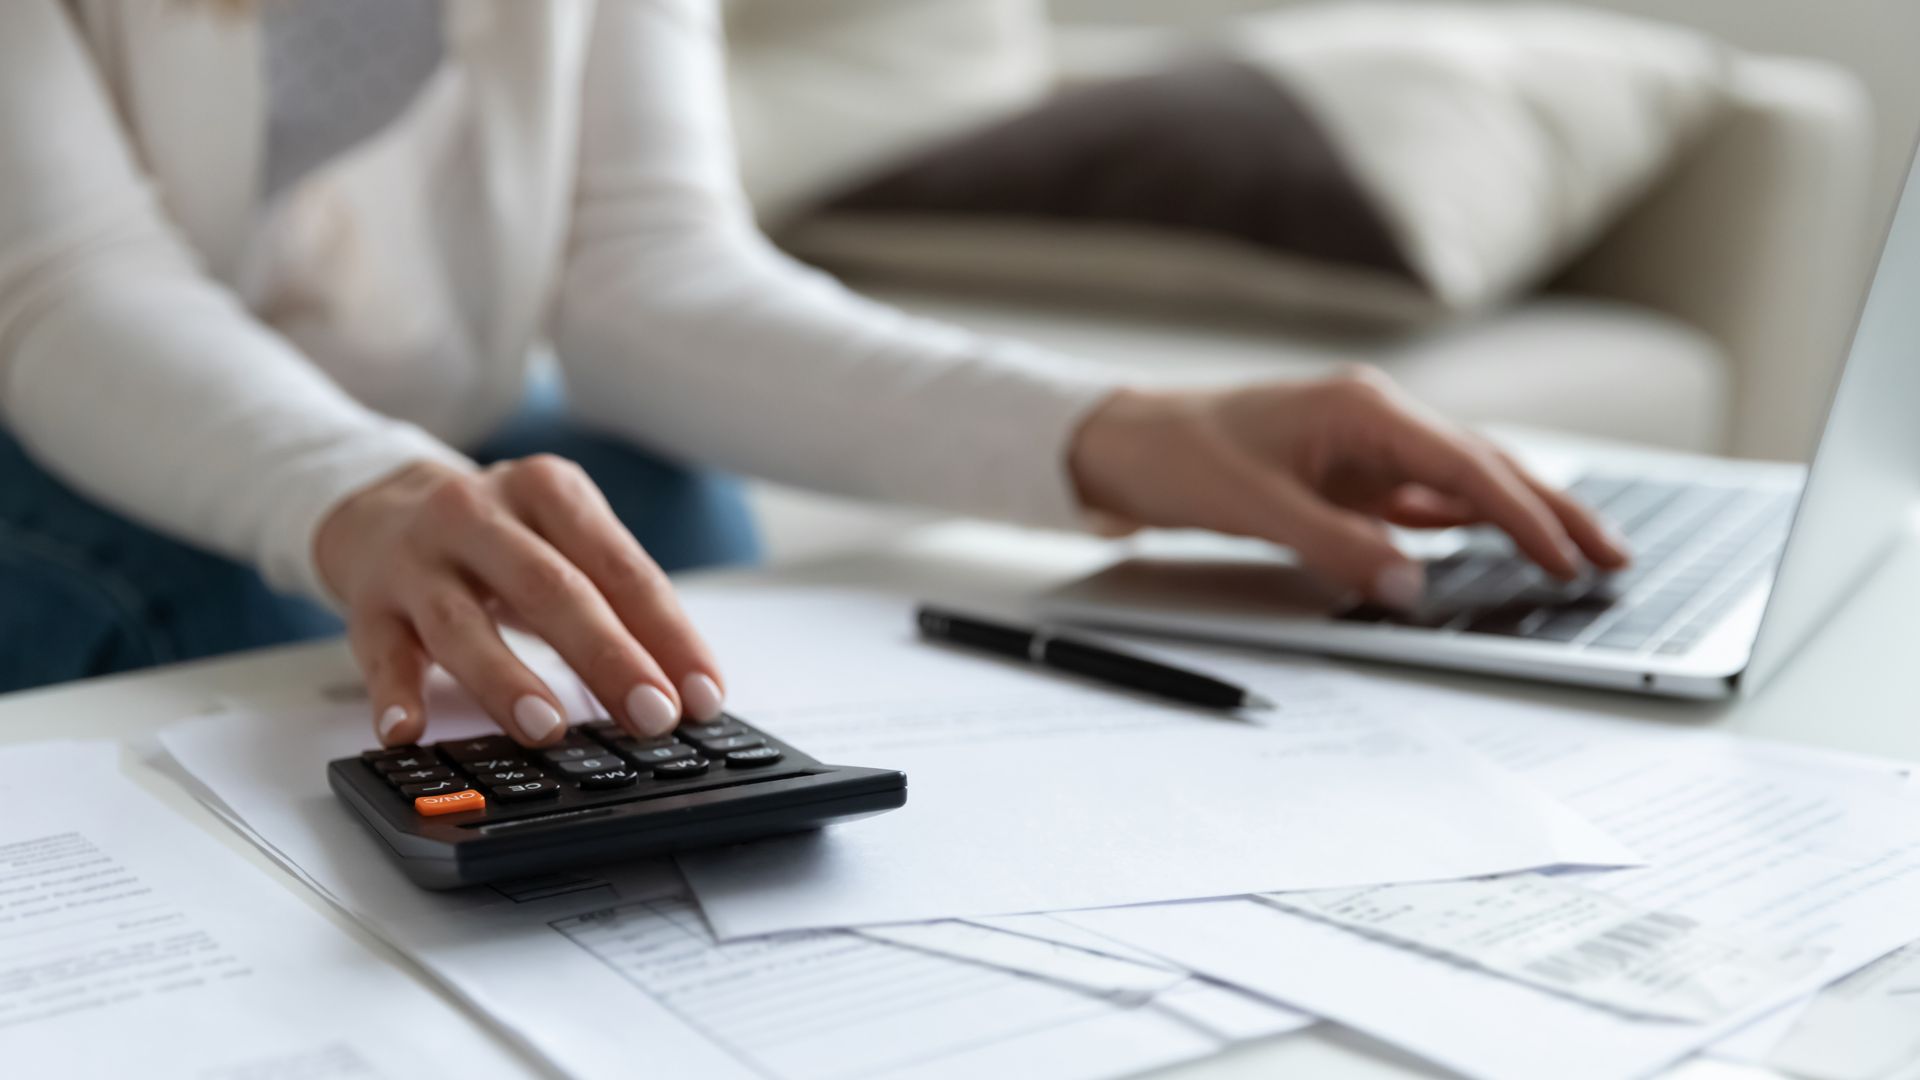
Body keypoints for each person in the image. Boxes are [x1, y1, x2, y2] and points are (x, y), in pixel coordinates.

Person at [0, 0, 1627, 749]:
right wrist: (363, 496)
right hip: (55, 435)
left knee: (667, 533)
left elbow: (647, 270)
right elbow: (63, 289)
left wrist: (1128, 434)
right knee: (274, 642)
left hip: (426, 433)